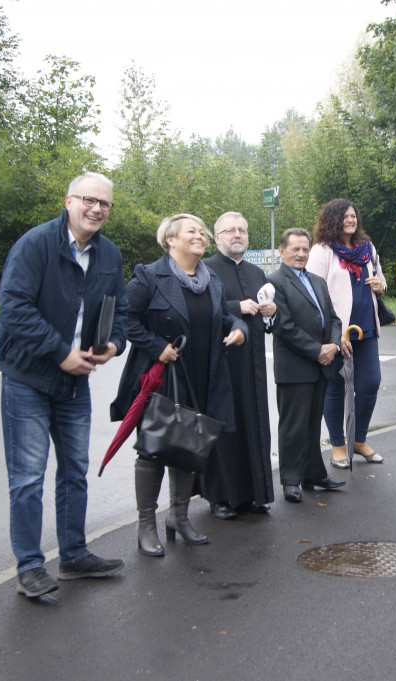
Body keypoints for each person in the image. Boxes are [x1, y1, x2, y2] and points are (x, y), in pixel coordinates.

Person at [0, 172, 129, 598]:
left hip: (76, 381)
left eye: (104, 204)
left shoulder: (108, 254)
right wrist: (60, 353)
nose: (96, 209)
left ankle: (73, 555)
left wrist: (112, 345)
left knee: (75, 471)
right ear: (68, 201)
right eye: (89, 200)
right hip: (29, 378)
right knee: (28, 477)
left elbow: (120, 311)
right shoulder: (35, 245)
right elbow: (14, 310)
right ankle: (30, 566)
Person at [111, 213, 246, 555]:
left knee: (190, 446)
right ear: (171, 240)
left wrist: (239, 327)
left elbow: (224, 316)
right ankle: (146, 526)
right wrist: (158, 347)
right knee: (154, 448)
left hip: (203, 375)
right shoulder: (149, 276)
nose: (200, 235)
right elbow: (124, 317)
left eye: (202, 231)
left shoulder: (211, 280)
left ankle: (179, 518)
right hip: (163, 378)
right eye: (192, 231)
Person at [203, 211, 277, 519]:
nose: (238, 235)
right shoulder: (204, 269)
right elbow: (199, 310)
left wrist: (272, 311)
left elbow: (269, 320)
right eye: (230, 230)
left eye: (242, 230)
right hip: (220, 364)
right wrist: (236, 307)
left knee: (255, 424)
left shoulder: (257, 273)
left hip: (254, 364)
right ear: (217, 237)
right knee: (224, 428)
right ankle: (220, 497)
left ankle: (253, 495)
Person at [306, 199, 388, 469]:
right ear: (333, 220)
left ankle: (359, 440)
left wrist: (380, 284)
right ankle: (338, 445)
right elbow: (314, 293)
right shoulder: (322, 251)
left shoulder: (367, 248)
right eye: (345, 217)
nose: (350, 221)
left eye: (353, 216)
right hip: (336, 333)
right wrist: (332, 334)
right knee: (336, 388)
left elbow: (381, 280)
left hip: (366, 329)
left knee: (370, 384)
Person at [268, 228, 345, 503]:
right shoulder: (274, 282)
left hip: (321, 365)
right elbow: (284, 327)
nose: (301, 254)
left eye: (305, 249)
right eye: (295, 249)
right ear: (281, 251)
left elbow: (334, 319)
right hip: (295, 368)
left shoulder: (317, 281)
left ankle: (313, 474)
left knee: (313, 425)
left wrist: (334, 346)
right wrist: (317, 351)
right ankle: (290, 480)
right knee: (293, 427)